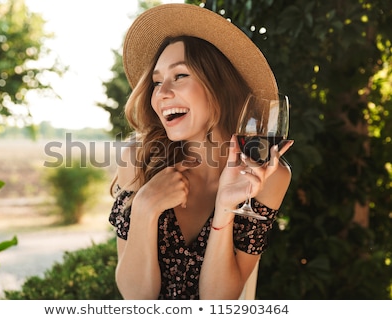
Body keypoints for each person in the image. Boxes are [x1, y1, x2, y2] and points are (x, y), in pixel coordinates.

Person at [108, 3, 293, 300]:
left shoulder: (268, 177)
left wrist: (225, 208)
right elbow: (135, 299)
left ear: (219, 84)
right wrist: (144, 207)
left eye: (180, 76)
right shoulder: (138, 159)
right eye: (156, 82)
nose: (162, 93)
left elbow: (218, 303)